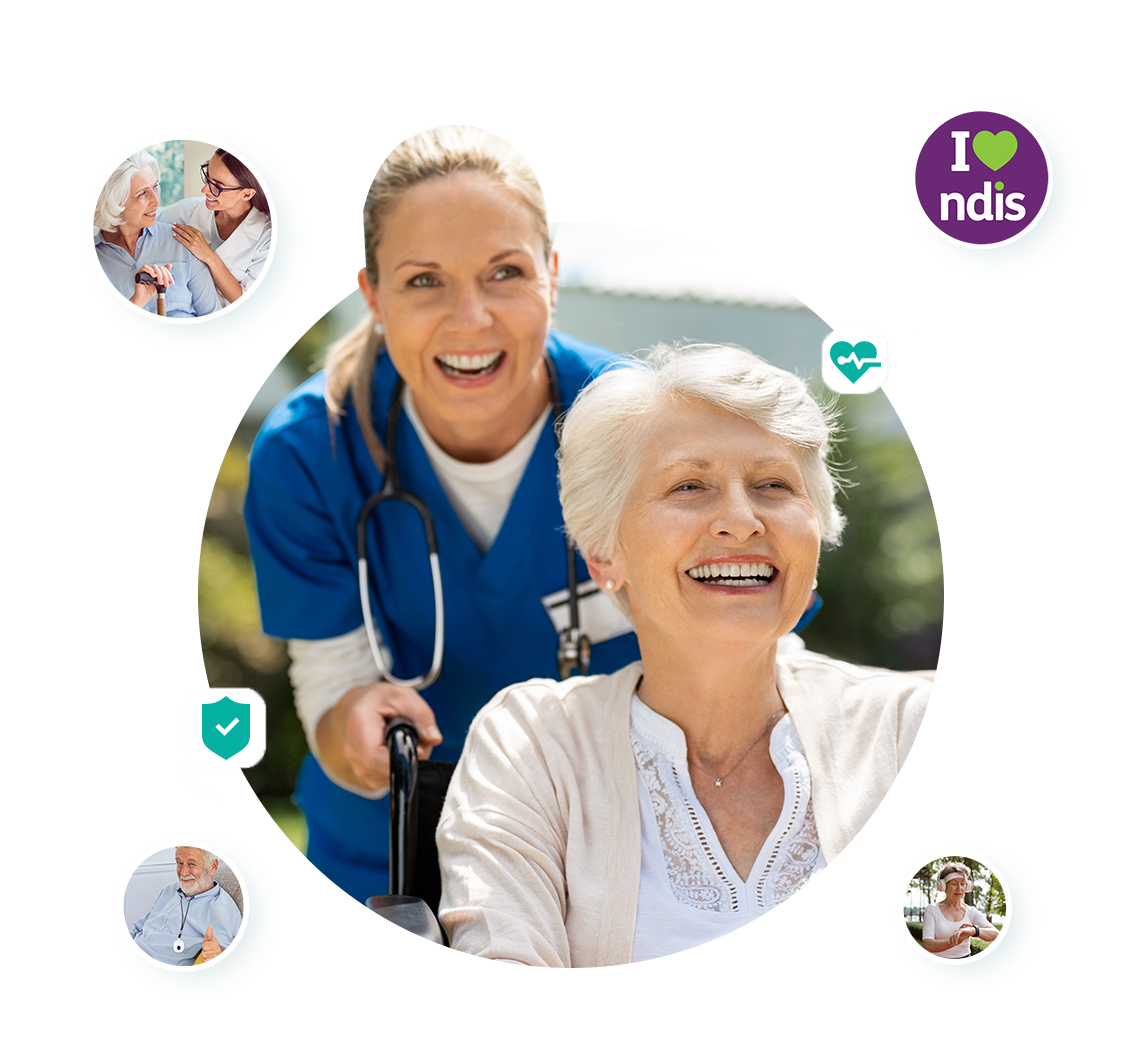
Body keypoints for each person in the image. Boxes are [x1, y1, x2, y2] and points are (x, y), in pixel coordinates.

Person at [244, 125, 644, 903]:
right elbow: (330, 694)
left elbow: (738, 656)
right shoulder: (308, 453)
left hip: (616, 855)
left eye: (505, 272)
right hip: (391, 867)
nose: (470, 318)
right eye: (424, 280)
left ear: (552, 278)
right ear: (374, 296)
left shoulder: (644, 431)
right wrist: (352, 725)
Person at [436, 344, 934, 967]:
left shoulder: (912, 731)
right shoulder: (533, 743)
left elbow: (985, 978)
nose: (740, 519)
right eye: (689, 485)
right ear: (603, 555)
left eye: (774, 484)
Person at [92, 149, 222, 320]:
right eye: (143, 194)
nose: (157, 201)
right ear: (114, 202)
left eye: (155, 187)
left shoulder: (182, 241)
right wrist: (136, 302)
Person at [157, 148, 273, 306]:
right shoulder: (181, 213)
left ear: (247, 194)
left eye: (217, 186)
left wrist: (209, 257)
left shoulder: (268, 237)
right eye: (207, 177)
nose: (204, 190)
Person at [128, 847, 241, 967]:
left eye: (192, 864)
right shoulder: (169, 890)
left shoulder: (223, 910)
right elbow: (139, 928)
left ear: (213, 866)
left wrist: (220, 953)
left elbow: (222, 954)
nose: (183, 873)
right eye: (179, 863)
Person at [920, 862, 998, 958]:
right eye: (954, 884)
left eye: (963, 884)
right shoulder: (932, 909)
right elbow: (928, 945)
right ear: (943, 886)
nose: (959, 888)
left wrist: (972, 931)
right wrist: (953, 941)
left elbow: (995, 934)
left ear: (967, 886)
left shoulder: (971, 911)